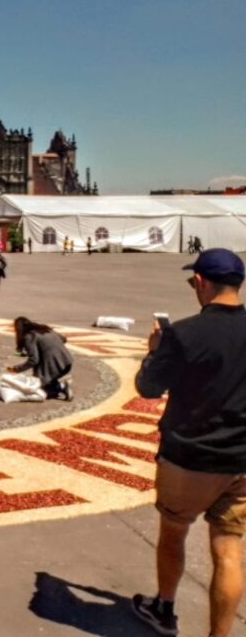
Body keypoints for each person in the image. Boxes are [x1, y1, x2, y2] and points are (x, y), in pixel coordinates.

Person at [131, 248, 246, 637]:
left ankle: (164, 607)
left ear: (201, 282)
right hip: (241, 458)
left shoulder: (182, 334)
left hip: (189, 456)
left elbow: (148, 388)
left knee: (174, 531)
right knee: (228, 549)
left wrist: (154, 353)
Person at [6, 317, 73, 400]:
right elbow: (64, 339)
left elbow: (33, 360)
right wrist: (48, 348)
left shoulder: (29, 337)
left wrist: (16, 369)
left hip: (56, 366)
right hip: (67, 363)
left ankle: (61, 387)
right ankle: (56, 385)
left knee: (36, 389)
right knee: (44, 382)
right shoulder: (45, 329)